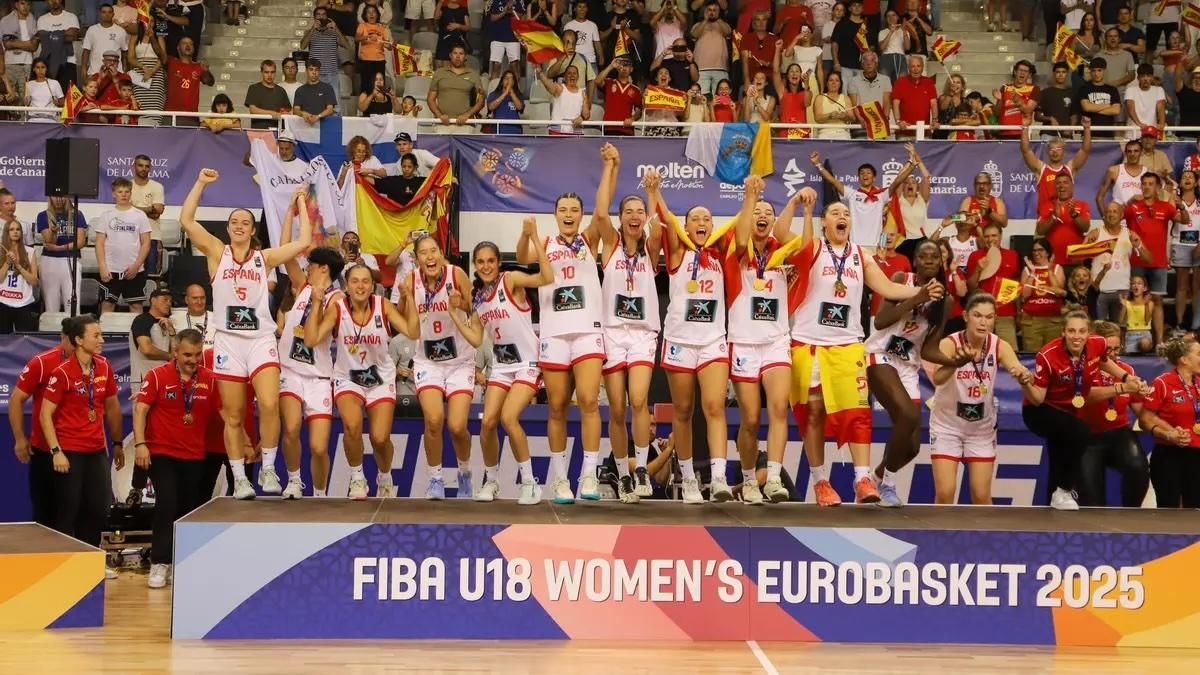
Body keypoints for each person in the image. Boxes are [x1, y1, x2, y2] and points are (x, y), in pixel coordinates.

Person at [179, 170, 312, 500]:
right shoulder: (216, 252)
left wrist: (299, 204)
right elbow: (186, 219)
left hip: (260, 340)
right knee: (235, 415)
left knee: (269, 404)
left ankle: (268, 467)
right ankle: (239, 476)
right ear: (228, 228)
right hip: (228, 341)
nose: (239, 226)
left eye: (245, 223)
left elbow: (304, 242)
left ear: (252, 231)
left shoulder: (263, 258)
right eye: (234, 222)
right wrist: (201, 184)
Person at [642, 169, 731, 504]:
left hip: (712, 341)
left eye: (707, 218)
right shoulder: (678, 254)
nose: (702, 221)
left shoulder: (719, 254)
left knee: (714, 407)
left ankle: (719, 477)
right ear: (687, 225)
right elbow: (664, 221)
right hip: (680, 340)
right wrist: (655, 192)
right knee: (683, 410)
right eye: (695, 218)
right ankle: (689, 477)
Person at [515, 185, 607, 504]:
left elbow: (602, 210)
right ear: (555, 214)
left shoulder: (589, 239)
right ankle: (560, 479)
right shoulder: (545, 242)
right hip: (554, 331)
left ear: (580, 215)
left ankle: (590, 474)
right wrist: (528, 234)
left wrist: (608, 169)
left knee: (588, 400)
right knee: (556, 406)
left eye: (573, 209)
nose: (568, 214)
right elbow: (523, 255)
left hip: (586, 329)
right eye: (563, 209)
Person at [454, 228, 553, 503]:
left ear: (498, 263)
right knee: (487, 423)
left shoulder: (510, 280)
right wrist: (454, 313)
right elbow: (475, 339)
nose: (485, 266)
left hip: (527, 362)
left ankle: (530, 482)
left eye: (490, 260)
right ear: (474, 265)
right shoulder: (478, 298)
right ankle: (492, 480)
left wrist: (534, 238)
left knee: (509, 418)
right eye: (480, 261)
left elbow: (546, 277)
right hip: (501, 365)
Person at [726, 181, 807, 504]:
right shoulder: (738, 249)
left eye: (767, 213)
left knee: (777, 411)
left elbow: (801, 241)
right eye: (757, 213)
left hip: (775, 341)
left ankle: (773, 477)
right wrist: (751, 199)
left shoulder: (784, 253)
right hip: (744, 341)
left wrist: (796, 205)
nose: (762, 216)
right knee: (749, 419)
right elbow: (743, 237)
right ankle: (748, 479)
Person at [1023, 311, 1146, 510]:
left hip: (1075, 416)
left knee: (1060, 451)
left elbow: (1103, 360)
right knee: (1076, 432)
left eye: (1081, 331)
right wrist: (1024, 383)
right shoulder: (1047, 355)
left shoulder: (1097, 346)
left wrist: (1125, 378)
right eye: (1071, 331)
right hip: (1045, 409)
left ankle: (1056, 501)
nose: (1076, 336)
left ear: (1089, 334)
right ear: (1063, 332)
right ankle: (1062, 491)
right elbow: (1038, 399)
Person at [593, 145, 661, 501]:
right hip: (612, 333)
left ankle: (640, 470)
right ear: (621, 219)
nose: (635, 215)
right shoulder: (611, 244)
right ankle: (621, 474)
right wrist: (609, 166)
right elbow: (600, 211)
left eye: (640, 211)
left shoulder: (652, 248)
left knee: (638, 400)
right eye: (629, 211)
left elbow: (660, 226)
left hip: (642, 334)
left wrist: (652, 193)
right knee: (616, 408)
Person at [866, 240, 954, 507]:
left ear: (940, 263)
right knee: (908, 415)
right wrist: (916, 297)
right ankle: (889, 487)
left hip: (907, 364)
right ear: (915, 261)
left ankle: (875, 478)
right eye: (923, 256)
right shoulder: (901, 279)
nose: (929, 260)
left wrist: (955, 360)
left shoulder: (945, 300)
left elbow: (929, 349)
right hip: (880, 354)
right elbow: (881, 321)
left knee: (913, 446)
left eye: (934, 257)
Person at [306, 263, 404, 499]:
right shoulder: (338, 308)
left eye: (365, 281)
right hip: (348, 377)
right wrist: (317, 302)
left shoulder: (384, 306)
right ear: (347, 286)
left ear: (373, 286)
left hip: (380, 377)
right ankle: (357, 477)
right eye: (355, 281)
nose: (360, 286)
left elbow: (413, 331)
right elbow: (311, 339)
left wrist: (408, 299)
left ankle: (385, 475)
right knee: (351, 426)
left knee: (380, 438)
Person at [929, 293, 1034, 505]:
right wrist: (956, 362)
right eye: (978, 315)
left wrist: (1022, 374)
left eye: (989, 317)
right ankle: (941, 537)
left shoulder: (998, 345)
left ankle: (986, 538)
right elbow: (938, 379)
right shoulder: (950, 343)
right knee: (946, 493)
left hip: (981, 430)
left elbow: (1017, 367)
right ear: (966, 316)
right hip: (947, 426)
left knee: (981, 495)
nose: (983, 322)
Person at [131, 328, 216, 588]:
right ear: (175, 352)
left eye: (197, 354)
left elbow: (227, 412)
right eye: (188, 354)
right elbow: (140, 410)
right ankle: (160, 562)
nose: (193, 360)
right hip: (162, 452)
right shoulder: (157, 376)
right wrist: (140, 444)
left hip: (195, 454)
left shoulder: (210, 379)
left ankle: (185, 561)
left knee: (190, 508)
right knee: (167, 503)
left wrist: (246, 440)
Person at [393, 237, 477, 499]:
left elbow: (476, 307)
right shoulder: (409, 282)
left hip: (459, 360)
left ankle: (464, 472)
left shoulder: (457, 274)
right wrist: (406, 300)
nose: (430, 257)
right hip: (428, 359)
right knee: (432, 420)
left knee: (457, 425)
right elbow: (408, 327)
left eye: (434, 251)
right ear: (416, 259)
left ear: (441, 254)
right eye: (423, 253)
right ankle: (435, 479)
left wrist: (460, 303)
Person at [40, 316, 125, 560]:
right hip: (69, 451)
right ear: (78, 340)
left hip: (96, 449)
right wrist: (56, 451)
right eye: (96, 336)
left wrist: (117, 443)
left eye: (101, 335)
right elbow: (46, 414)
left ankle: (90, 560)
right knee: (69, 510)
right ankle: (66, 562)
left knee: (99, 509)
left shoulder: (104, 366)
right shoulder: (62, 373)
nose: (102, 340)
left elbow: (112, 407)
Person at [277, 232, 345, 499]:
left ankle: (319, 493)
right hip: (291, 371)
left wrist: (316, 303)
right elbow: (287, 254)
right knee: (291, 428)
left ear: (323, 268)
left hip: (318, 376)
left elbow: (315, 335)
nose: (306, 268)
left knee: (318, 447)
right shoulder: (301, 286)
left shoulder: (337, 299)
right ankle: (294, 480)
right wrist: (297, 210)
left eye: (311, 265)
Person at [10, 318, 75, 528]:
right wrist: (20, 438)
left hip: (78, 450)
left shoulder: (95, 365)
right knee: (45, 515)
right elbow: (16, 400)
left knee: (77, 512)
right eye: (72, 341)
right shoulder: (42, 362)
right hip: (45, 449)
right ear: (63, 338)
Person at [1080, 320, 1149, 507]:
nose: (1112, 354)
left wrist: (1158, 416)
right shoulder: (1083, 367)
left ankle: (1130, 515)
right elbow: (1085, 397)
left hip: (1118, 432)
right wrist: (1120, 387)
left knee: (1138, 468)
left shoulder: (1127, 370)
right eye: (1108, 349)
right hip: (1086, 437)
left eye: (1117, 349)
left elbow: (1140, 410)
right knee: (1092, 501)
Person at [809, 145, 919, 249]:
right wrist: (818, 164)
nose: (865, 175)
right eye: (862, 173)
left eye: (868, 173)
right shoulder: (852, 194)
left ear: (874, 177)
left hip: (876, 246)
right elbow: (832, 180)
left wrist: (912, 164)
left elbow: (897, 181)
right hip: (855, 246)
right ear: (858, 178)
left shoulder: (881, 195)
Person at [1138, 337, 1200, 508]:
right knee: (1168, 511)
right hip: (1169, 454)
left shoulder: (1199, 382)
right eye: (1199, 354)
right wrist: (1168, 433)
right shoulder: (1163, 383)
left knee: (1196, 513)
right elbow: (1144, 419)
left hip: (1197, 456)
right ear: (1184, 360)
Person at [1125, 172, 1187, 303]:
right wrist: (1129, 201)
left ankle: (1159, 325)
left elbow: (1184, 220)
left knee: (1157, 301)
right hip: (1137, 261)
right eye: (1144, 184)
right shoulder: (1132, 207)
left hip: (1159, 262)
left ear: (1158, 187)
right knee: (1136, 300)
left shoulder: (1166, 207)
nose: (1146, 187)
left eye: (1151, 184)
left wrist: (1181, 206)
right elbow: (1113, 217)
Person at [94, 177, 152, 313]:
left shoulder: (140, 215)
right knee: (107, 305)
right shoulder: (106, 216)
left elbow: (146, 243)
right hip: (110, 270)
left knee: (136, 306)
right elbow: (99, 243)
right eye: (120, 192)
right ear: (114, 194)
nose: (124, 195)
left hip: (134, 270)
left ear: (131, 193)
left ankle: (137, 334)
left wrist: (136, 266)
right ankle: (106, 334)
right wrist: (102, 267)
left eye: (127, 192)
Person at [1020, 118, 1093, 216]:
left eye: (1058, 149)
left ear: (1063, 151)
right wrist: (1025, 127)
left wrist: (1087, 128)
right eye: (1052, 149)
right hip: (1045, 219)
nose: (1055, 152)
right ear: (1047, 152)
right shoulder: (1041, 169)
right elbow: (1026, 151)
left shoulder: (1069, 169)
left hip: (1067, 218)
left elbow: (1085, 150)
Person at [965, 223, 1020, 350]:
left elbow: (1016, 285)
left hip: (1006, 313)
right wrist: (978, 269)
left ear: (1001, 236)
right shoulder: (975, 256)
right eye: (987, 236)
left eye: (994, 235)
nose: (990, 239)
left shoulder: (1013, 255)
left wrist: (1018, 312)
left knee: (1010, 352)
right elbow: (971, 287)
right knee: (979, 352)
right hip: (981, 314)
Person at [36, 192, 87, 314]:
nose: (58, 199)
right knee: (51, 305)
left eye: (62, 196)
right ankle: (51, 331)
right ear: (50, 198)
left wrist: (60, 248)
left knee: (72, 302)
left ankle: (74, 331)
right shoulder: (43, 216)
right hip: (50, 262)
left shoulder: (77, 215)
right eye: (55, 196)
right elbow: (49, 242)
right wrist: (53, 233)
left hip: (71, 260)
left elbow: (80, 242)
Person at [1020, 237, 1066, 352]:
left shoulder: (1056, 268)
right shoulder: (1027, 270)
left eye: (1040, 250)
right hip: (1032, 321)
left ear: (1047, 252)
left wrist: (1049, 271)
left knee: (1054, 353)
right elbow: (1024, 295)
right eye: (1034, 250)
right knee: (1032, 354)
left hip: (1053, 320)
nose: (1036, 253)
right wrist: (1032, 272)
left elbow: (1060, 291)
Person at [1036, 173, 1090, 265]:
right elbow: (1040, 231)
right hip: (1052, 260)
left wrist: (1074, 215)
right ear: (1055, 187)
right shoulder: (1046, 206)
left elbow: (1086, 228)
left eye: (1065, 182)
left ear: (1072, 186)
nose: (1061, 186)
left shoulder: (1082, 205)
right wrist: (1053, 216)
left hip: (1075, 259)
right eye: (1058, 183)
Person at [0, 219, 38, 333]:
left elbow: (34, 281)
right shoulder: (0, 251)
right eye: (11, 229)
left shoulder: (30, 251)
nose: (15, 232)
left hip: (24, 302)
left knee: (24, 339)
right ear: (6, 232)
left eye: (18, 229)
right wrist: (7, 263)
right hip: (3, 301)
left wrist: (18, 265)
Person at [1119, 275, 1159, 353]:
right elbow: (1120, 321)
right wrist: (1124, 306)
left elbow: (1147, 320)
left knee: (1144, 344)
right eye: (1133, 283)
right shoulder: (1127, 303)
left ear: (1144, 288)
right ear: (1131, 288)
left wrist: (1146, 304)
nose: (1136, 285)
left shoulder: (1150, 303)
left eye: (1139, 283)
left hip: (1144, 334)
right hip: (1130, 335)